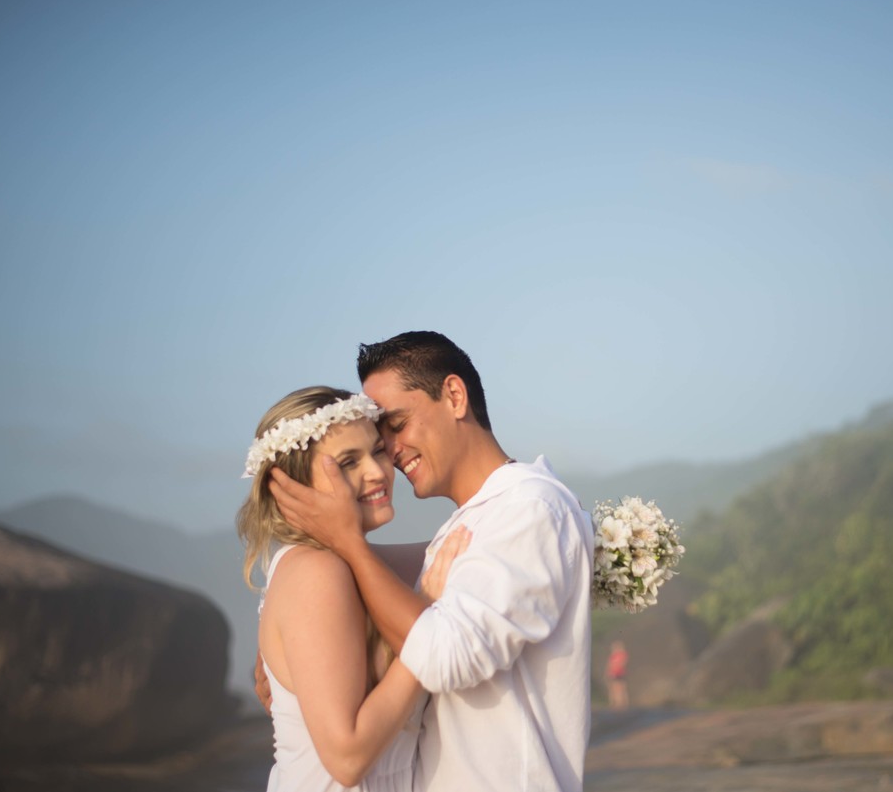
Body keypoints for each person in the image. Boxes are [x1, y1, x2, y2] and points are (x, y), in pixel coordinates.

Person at [269, 332, 593, 792]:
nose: (388, 455)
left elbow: (442, 658)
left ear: (455, 397)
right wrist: (290, 635)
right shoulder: (476, 524)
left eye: (396, 425)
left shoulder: (529, 508)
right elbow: (335, 583)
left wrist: (349, 545)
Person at [238, 385, 469, 792]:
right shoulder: (316, 573)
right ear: (293, 485)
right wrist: (424, 627)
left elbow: (479, 545)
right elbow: (347, 759)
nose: (378, 472)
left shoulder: (350, 565)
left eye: (377, 451)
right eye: (348, 462)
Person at [604, 640, 629, 709]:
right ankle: (614, 703)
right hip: (613, 673)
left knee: (620, 688)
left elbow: (623, 663)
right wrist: (608, 672)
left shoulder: (623, 655)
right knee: (613, 688)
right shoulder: (612, 656)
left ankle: (621, 703)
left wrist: (617, 667)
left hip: (619, 672)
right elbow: (609, 664)